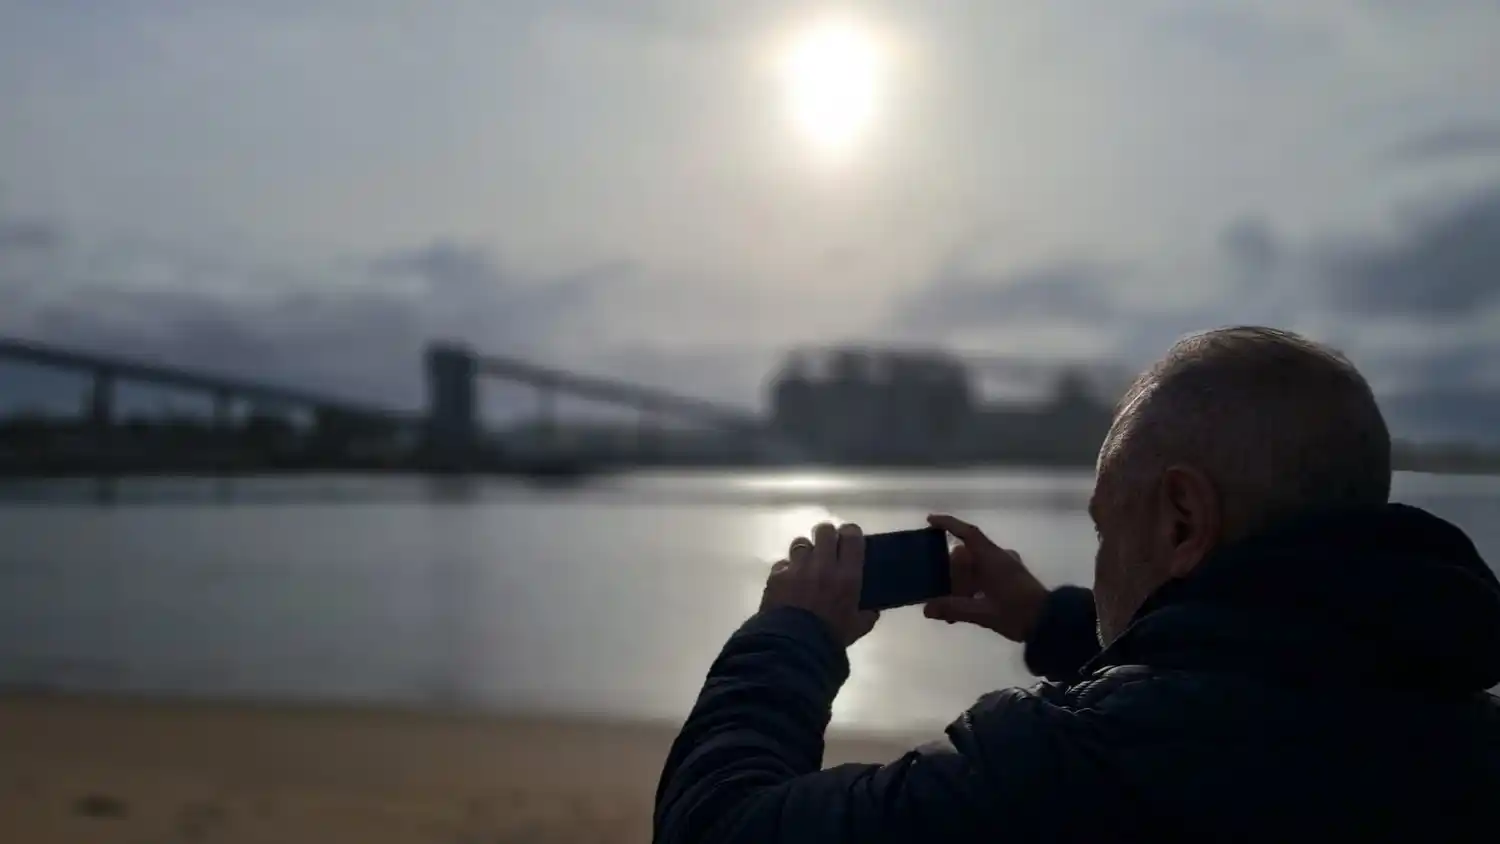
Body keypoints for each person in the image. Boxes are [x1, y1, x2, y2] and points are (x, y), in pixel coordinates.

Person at [653, 326, 1500, 843]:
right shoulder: (1463, 740)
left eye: (1105, 527)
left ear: (1181, 521)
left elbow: (715, 827)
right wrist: (1052, 621)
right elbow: (1260, 670)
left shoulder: (1063, 772)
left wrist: (789, 640)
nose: (1099, 555)